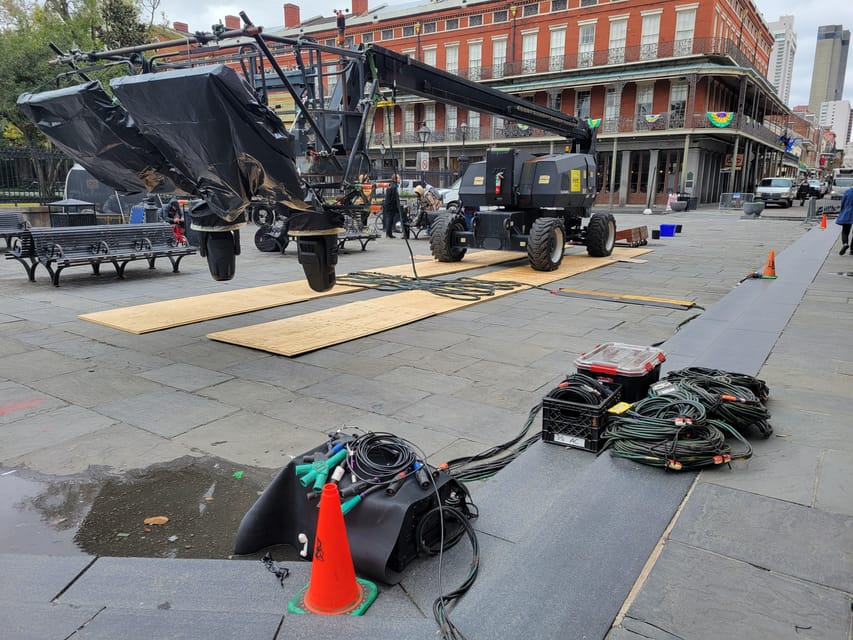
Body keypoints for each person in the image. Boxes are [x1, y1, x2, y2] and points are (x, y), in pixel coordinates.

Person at [382, 174, 401, 238]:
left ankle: (389, 233)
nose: (400, 179)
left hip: (388, 205)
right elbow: (394, 198)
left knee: (390, 219)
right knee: (390, 219)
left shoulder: (391, 185)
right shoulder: (394, 186)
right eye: (399, 178)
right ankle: (388, 234)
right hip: (391, 205)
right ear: (395, 179)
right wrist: (397, 206)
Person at [836, 185, 853, 255]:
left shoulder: (848, 192)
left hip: (848, 212)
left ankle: (845, 243)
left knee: (845, 230)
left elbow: (843, 202)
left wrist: (842, 211)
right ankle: (852, 249)